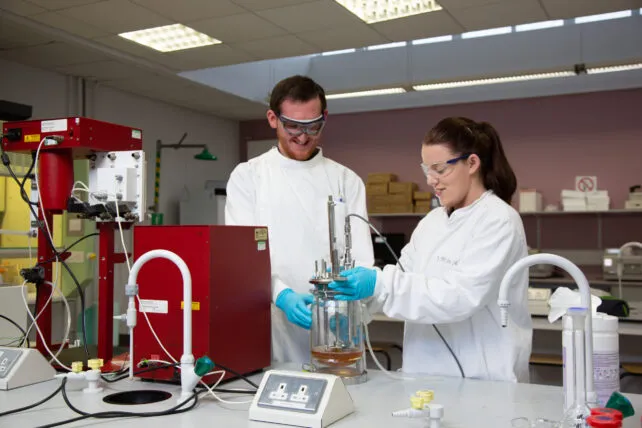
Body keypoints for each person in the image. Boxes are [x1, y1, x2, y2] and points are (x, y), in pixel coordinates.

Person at [329, 117, 532, 382]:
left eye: (439, 169)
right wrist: (357, 306)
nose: (430, 180)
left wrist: (378, 283)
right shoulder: (431, 222)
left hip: (483, 378)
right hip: (423, 375)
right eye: (427, 169)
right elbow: (403, 278)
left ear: (472, 163)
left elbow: (460, 296)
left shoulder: (499, 220)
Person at [225, 75, 374, 364]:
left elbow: (362, 261)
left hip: (337, 327)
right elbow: (243, 260)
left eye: (313, 126)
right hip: (272, 324)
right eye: (293, 126)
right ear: (273, 119)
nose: (303, 136)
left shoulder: (347, 181)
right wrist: (281, 295)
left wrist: (349, 305)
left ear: (325, 117)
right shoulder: (248, 177)